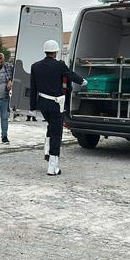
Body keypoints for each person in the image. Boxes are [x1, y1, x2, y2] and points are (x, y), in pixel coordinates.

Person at [29, 40, 86, 176]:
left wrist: (32, 107)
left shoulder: (35, 66)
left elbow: (33, 88)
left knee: (51, 127)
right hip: (56, 105)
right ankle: (52, 167)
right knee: (56, 134)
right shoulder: (59, 65)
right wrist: (83, 81)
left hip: (43, 104)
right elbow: (70, 75)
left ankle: (47, 150)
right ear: (55, 51)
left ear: (45, 51)